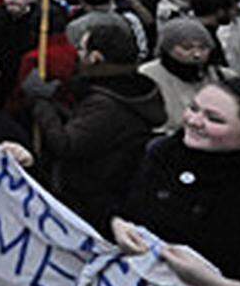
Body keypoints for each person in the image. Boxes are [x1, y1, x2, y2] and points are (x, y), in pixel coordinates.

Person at [110, 79, 240, 286]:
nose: (195, 121)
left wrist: (213, 284)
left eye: (214, 119)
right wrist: (116, 223)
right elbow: (109, 201)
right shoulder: (158, 153)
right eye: (193, 108)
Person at [23, 23, 166, 232]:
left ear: (96, 57)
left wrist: (40, 103)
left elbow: (66, 144)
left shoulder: (105, 104)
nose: (78, 54)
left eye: (82, 49)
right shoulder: (131, 85)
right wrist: (53, 98)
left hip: (94, 193)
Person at [138, 17, 232, 134]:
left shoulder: (224, 76)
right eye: (187, 48)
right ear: (168, 49)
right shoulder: (147, 75)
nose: (197, 54)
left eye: (203, 48)